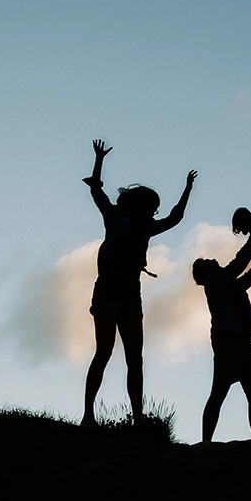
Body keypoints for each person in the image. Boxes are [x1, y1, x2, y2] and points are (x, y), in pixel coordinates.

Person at [81, 139, 195, 428]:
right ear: (140, 203)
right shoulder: (116, 216)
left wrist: (188, 190)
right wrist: (98, 160)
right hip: (108, 286)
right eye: (152, 205)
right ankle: (88, 416)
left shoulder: (148, 227)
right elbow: (97, 191)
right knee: (104, 351)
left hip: (131, 291)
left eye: (155, 207)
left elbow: (176, 217)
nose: (154, 211)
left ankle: (139, 419)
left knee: (136, 358)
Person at [193, 249, 251, 442]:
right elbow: (239, 264)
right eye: (207, 262)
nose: (212, 258)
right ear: (205, 273)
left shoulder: (227, 284)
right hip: (229, 342)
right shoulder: (215, 280)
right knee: (222, 394)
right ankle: (207, 442)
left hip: (241, 341)